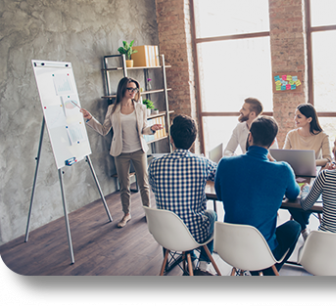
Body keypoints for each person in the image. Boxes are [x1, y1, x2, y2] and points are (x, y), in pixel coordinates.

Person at [215, 116, 301, 276]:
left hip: (228, 247)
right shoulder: (282, 169)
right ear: (273, 140)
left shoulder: (224, 163)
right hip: (261, 250)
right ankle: (267, 271)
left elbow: (220, 196)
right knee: (294, 226)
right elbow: (294, 194)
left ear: (250, 136)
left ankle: (250, 270)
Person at [81, 77, 163, 228]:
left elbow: (144, 129)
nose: (133, 92)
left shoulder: (141, 108)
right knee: (124, 185)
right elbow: (104, 130)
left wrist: (152, 129)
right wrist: (89, 119)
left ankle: (148, 212)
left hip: (139, 150)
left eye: (135, 89)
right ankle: (126, 214)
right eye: (130, 89)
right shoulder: (112, 109)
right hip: (121, 152)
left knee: (143, 184)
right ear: (122, 90)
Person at [148, 114, 218, 276]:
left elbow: (154, 188)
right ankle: (203, 265)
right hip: (194, 233)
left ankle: (190, 259)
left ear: (171, 139)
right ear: (193, 141)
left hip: (164, 232)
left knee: (177, 212)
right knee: (212, 214)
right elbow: (220, 178)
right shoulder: (203, 163)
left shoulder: (155, 164)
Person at [284, 103, 332, 237]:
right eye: (295, 116)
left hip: (313, 175)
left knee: (308, 198)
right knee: (288, 198)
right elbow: (284, 156)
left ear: (309, 119)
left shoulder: (322, 136)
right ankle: (304, 226)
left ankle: (303, 225)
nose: (295, 119)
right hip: (294, 174)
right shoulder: (291, 134)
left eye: (299, 116)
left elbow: (328, 159)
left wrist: (310, 161)